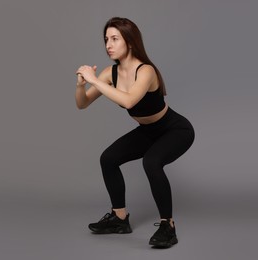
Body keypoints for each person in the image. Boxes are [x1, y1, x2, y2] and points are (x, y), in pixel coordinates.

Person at [75, 17, 195, 248]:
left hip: (175, 129)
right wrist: (82, 85)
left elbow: (130, 101)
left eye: (114, 39)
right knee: (108, 159)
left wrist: (94, 80)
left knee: (152, 162)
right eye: (106, 39)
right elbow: (82, 104)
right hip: (148, 130)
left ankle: (167, 226)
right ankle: (119, 219)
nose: (108, 44)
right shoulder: (111, 73)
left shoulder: (146, 70)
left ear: (129, 42)